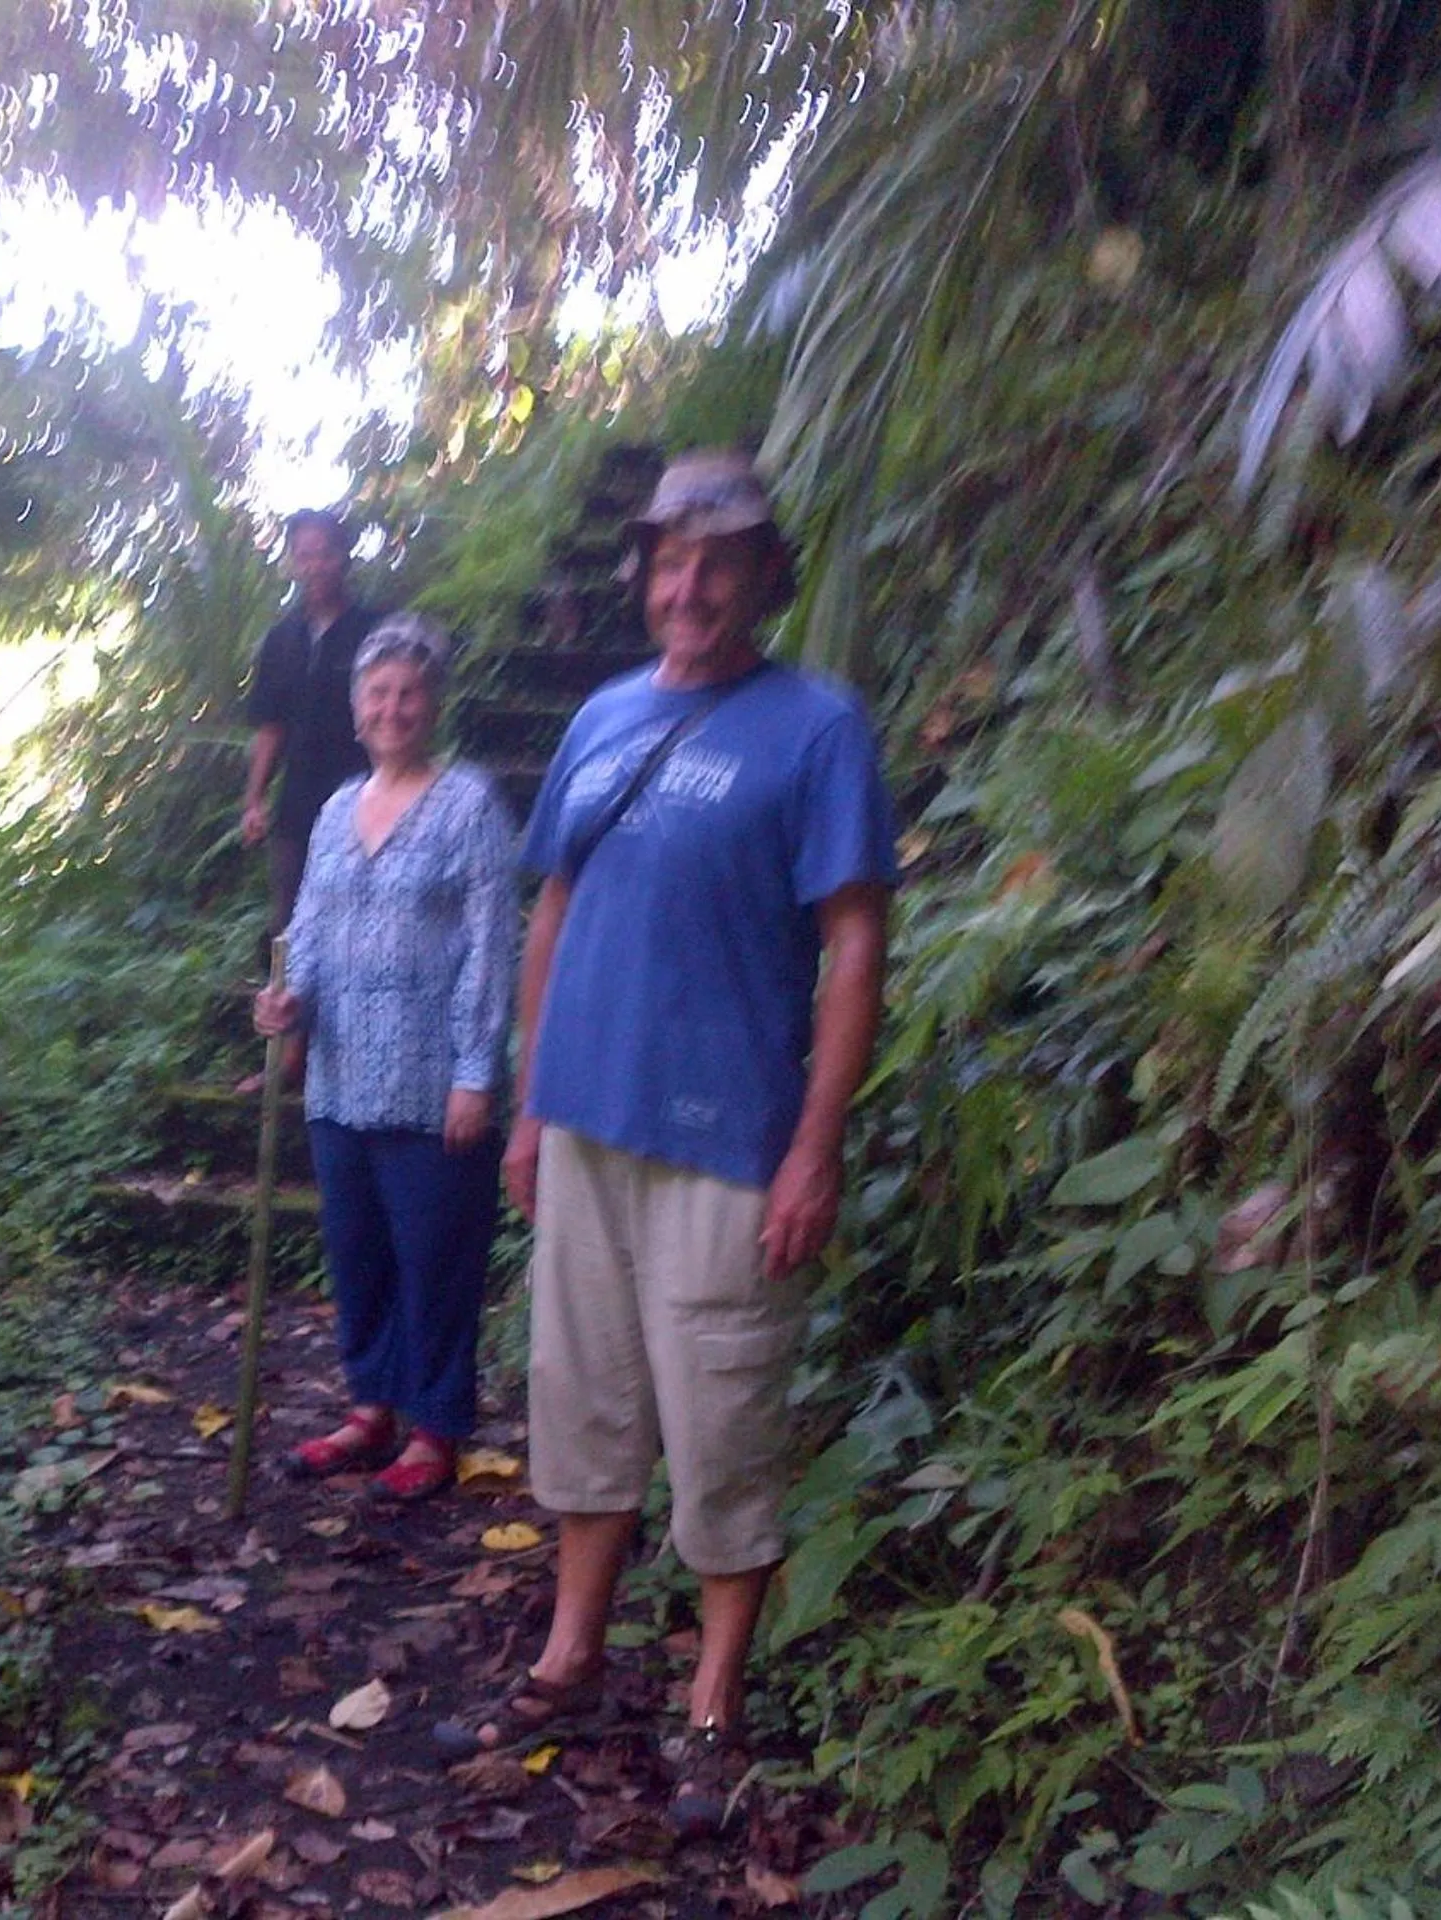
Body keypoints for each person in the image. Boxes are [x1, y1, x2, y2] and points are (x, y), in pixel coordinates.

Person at [491, 448, 896, 1840]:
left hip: (730, 1141)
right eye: (671, 560)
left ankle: (714, 1690)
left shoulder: (817, 728)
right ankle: (573, 1646)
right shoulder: (601, 717)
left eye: (719, 562)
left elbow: (853, 944)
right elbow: (553, 911)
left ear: (764, 579)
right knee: (584, 1396)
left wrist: (815, 1148)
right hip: (588, 1124)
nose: (691, 585)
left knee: (723, 1417)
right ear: (645, 576)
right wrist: (532, 1095)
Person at [252, 613, 517, 1503]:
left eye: (409, 692)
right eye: (378, 694)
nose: (394, 708)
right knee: (357, 1253)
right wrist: (287, 1001)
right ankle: (372, 1408)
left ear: (432, 704)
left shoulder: (469, 804)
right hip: (338, 1081)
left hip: (432, 1085)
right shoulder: (332, 810)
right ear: (356, 710)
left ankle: (436, 1425)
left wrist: (477, 1073)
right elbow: (310, 931)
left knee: (435, 1260)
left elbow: (491, 945)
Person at [241, 509, 381, 941]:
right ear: (293, 563)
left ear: (344, 556)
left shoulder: (374, 632)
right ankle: (287, 1006)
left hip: (364, 804)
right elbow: (271, 727)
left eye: (324, 554)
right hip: (297, 810)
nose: (315, 566)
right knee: (290, 927)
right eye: (304, 556)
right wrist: (254, 799)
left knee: (359, 924)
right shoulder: (281, 640)